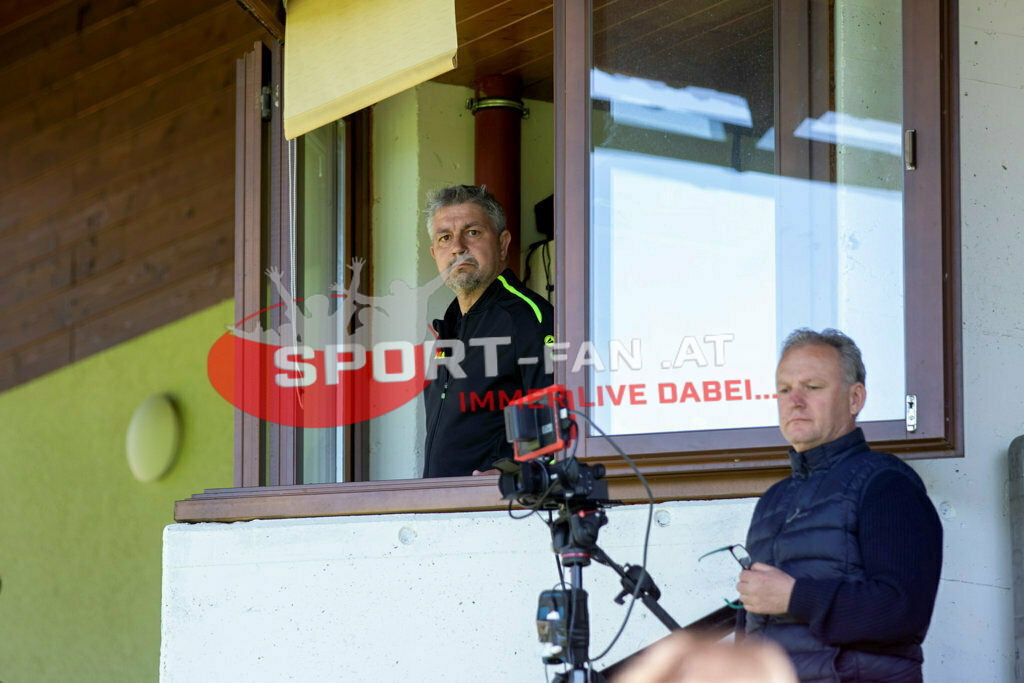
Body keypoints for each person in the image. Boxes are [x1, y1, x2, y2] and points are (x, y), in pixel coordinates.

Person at [736, 328, 943, 682]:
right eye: (784, 389)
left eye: (812, 387)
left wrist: (795, 596)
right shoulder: (772, 502)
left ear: (854, 398)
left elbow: (903, 610)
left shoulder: (886, 484)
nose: (794, 401)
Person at [422, 185, 554, 478]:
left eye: (472, 232)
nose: (457, 247)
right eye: (445, 237)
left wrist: (514, 475)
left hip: (497, 503)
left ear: (503, 243)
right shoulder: (447, 327)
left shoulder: (529, 317)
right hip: (440, 501)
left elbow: (556, 433)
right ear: (434, 254)